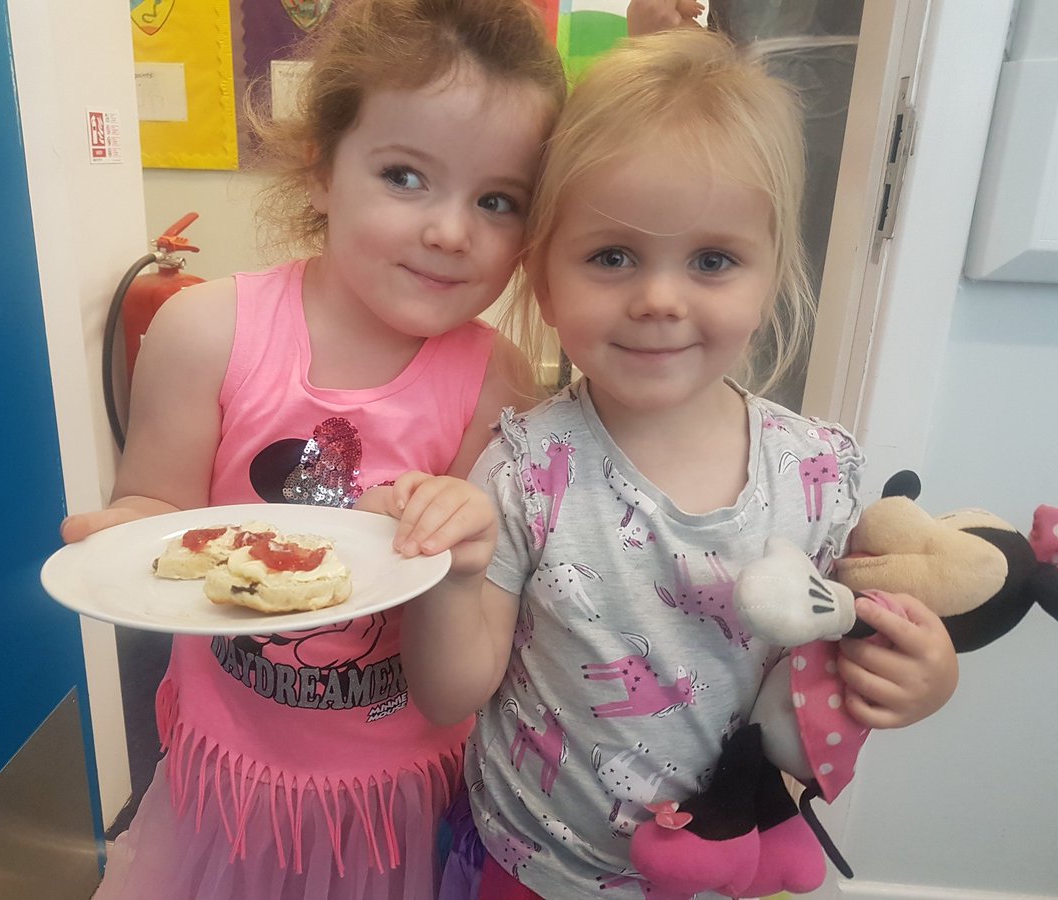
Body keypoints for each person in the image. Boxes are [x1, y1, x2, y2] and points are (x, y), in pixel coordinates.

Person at [376, 29, 959, 898]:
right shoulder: (524, 469)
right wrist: (454, 576)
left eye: (713, 260)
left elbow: (856, 637)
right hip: (539, 870)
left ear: (768, 277)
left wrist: (927, 675)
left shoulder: (820, 472)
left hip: (737, 864)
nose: (658, 298)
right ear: (543, 279)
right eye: (612, 257)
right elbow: (449, 695)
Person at [60, 2, 567, 897]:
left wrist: (457, 537)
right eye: (406, 176)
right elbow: (161, 514)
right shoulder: (204, 330)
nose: (451, 230)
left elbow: (473, 623)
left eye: (497, 201)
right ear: (321, 166)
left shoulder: (499, 380)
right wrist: (123, 535)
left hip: (406, 798)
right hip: (234, 792)